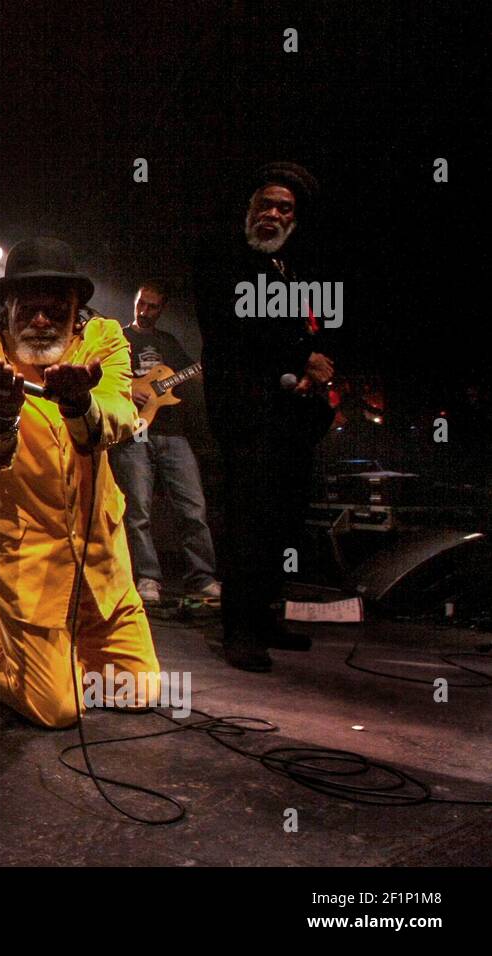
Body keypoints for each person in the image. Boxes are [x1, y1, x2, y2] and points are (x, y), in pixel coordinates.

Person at [0, 238, 161, 727]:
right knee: (56, 709)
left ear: (76, 310)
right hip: (23, 560)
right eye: (27, 308)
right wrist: (1, 415)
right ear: (7, 307)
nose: (39, 321)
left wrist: (81, 405)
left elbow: (119, 417)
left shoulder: (104, 340)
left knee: (141, 692)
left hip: (98, 560)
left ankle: (56, 656)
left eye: (53, 310)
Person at [194, 162, 335, 672]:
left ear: (294, 218)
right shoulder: (224, 257)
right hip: (246, 413)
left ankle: (266, 614)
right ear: (250, 209)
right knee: (248, 520)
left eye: (284, 208)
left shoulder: (290, 267)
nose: (273, 214)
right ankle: (241, 630)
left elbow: (305, 325)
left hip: (288, 417)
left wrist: (313, 366)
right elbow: (232, 328)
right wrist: (298, 360)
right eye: (266, 204)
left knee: (282, 518)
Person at [109, 282, 220, 605]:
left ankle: (202, 578)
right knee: (138, 510)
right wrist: (129, 388)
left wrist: (208, 369)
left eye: (152, 307)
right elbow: (100, 375)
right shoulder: (119, 338)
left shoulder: (168, 342)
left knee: (193, 508)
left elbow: (192, 374)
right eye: (141, 304)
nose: (144, 311)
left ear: (162, 309)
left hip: (173, 433)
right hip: (134, 433)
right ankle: (147, 577)